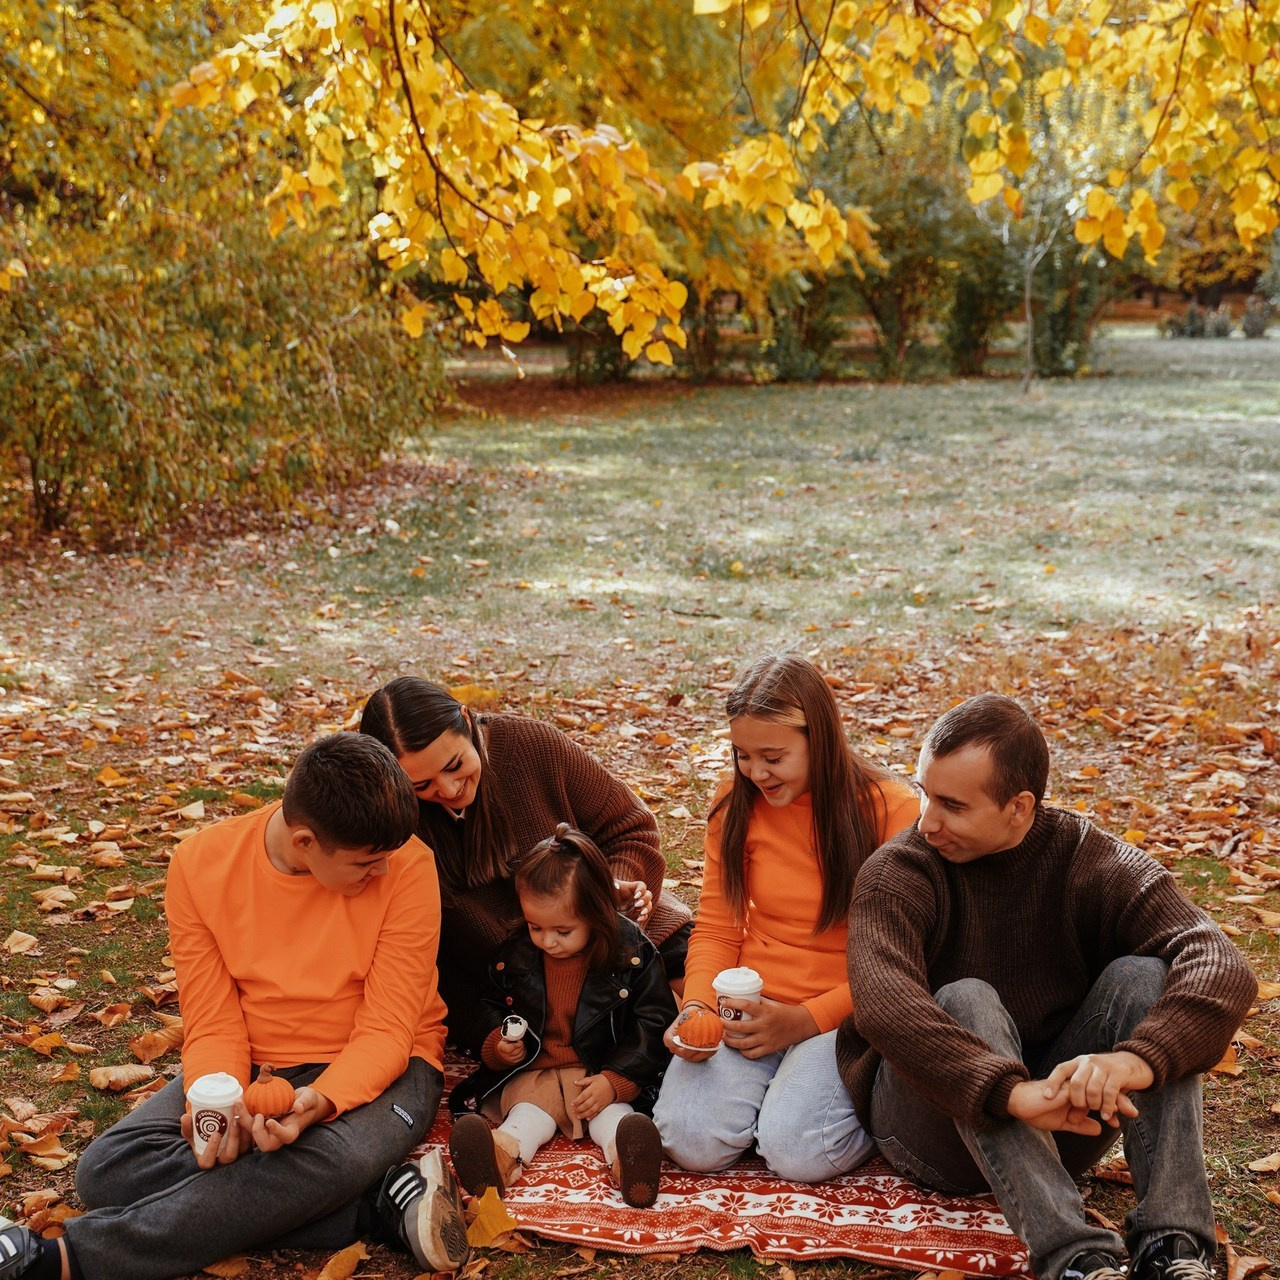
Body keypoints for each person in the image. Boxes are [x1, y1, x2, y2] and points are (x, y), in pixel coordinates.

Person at [0, 734, 469, 1280]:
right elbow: (213, 1019)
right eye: (367, 863)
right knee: (106, 1171)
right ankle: (376, 1206)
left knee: (331, 1158)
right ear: (305, 841)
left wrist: (319, 1103)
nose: (382, 872)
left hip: (392, 1063)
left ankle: (64, 1258)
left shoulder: (409, 867)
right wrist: (222, 1108)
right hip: (254, 1060)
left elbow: (388, 1028)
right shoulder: (200, 865)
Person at [840, 693, 1257, 1280]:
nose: (927, 820)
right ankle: (1075, 1258)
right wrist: (1010, 1094)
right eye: (926, 793)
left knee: (1145, 978)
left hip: (1064, 1120)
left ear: (1019, 807)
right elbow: (886, 1004)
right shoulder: (899, 870)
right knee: (966, 998)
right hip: (933, 1128)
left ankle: (1174, 1247)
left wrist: (1136, 1061)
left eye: (953, 805)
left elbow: (1220, 960)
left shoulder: (1089, 858)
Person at [652, 653, 919, 1181]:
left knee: (798, 1152)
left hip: (847, 1013)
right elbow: (718, 926)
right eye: (742, 755)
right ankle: (768, 1099)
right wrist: (701, 1005)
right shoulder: (735, 802)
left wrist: (804, 1021)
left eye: (772, 756)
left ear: (819, 738)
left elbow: (900, 961)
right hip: (752, 1004)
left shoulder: (890, 810)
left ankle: (864, 1101)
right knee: (687, 1140)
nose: (755, 773)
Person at [359, 676, 692, 1051]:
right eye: (421, 786)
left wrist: (607, 889)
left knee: (707, 1011)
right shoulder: (392, 822)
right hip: (520, 987)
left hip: (624, 939)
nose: (450, 789)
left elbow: (630, 827)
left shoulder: (532, 746)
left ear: (466, 722)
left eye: (455, 765)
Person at [447, 824, 675, 1208]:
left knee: (612, 1117)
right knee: (526, 1117)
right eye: (536, 927)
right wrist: (497, 1044)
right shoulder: (515, 954)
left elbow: (653, 1020)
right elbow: (487, 1002)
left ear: (597, 913)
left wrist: (617, 1080)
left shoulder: (631, 953)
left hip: (600, 1068)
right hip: (535, 1069)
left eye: (563, 931)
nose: (548, 941)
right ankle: (499, 1159)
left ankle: (630, 1161)